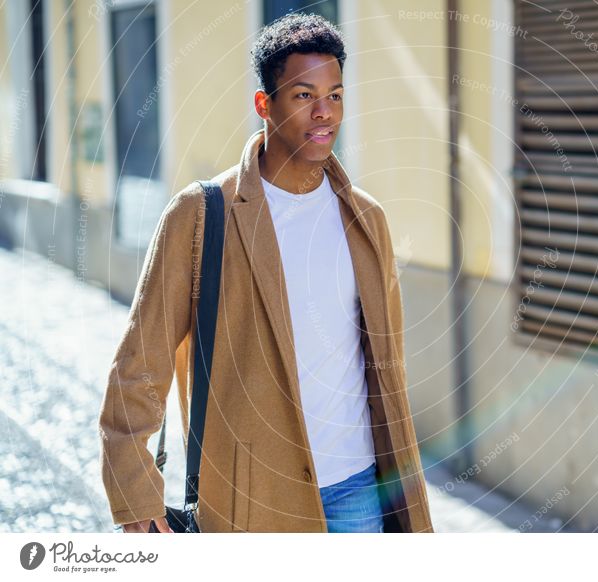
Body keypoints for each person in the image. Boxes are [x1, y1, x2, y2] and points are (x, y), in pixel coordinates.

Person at [98, 12, 434, 533]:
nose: (324, 112)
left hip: (360, 490)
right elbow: (140, 363)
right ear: (264, 104)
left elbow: (387, 367)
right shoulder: (201, 214)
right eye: (304, 95)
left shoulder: (367, 220)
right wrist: (135, 490)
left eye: (336, 95)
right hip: (253, 498)